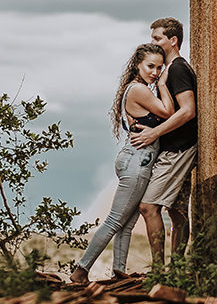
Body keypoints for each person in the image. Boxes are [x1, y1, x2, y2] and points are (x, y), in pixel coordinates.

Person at [70, 43, 175, 284]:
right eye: (150, 66)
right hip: (138, 161)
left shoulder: (136, 88)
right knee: (115, 220)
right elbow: (169, 112)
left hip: (135, 159)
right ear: (138, 64)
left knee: (126, 225)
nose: (155, 72)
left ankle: (118, 272)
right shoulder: (139, 89)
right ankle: (81, 270)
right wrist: (162, 84)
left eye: (159, 68)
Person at [129, 17, 198, 269]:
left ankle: (158, 271)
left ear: (173, 40)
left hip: (178, 149)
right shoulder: (169, 70)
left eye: (157, 38)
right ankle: (176, 271)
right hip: (177, 147)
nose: (153, 42)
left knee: (148, 207)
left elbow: (188, 110)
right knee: (177, 213)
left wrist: (154, 133)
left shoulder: (177, 69)